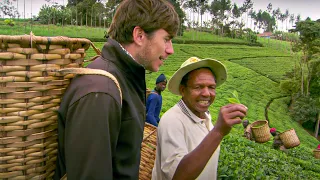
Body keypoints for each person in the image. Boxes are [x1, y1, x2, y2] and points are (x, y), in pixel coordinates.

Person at [53, 0, 179, 179]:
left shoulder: (124, 79)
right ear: (139, 35)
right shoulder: (101, 91)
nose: (170, 50)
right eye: (166, 39)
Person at [152, 57, 248, 180]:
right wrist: (218, 132)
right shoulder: (172, 120)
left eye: (211, 87)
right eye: (198, 87)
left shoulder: (206, 117)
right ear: (183, 90)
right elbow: (178, 176)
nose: (207, 93)